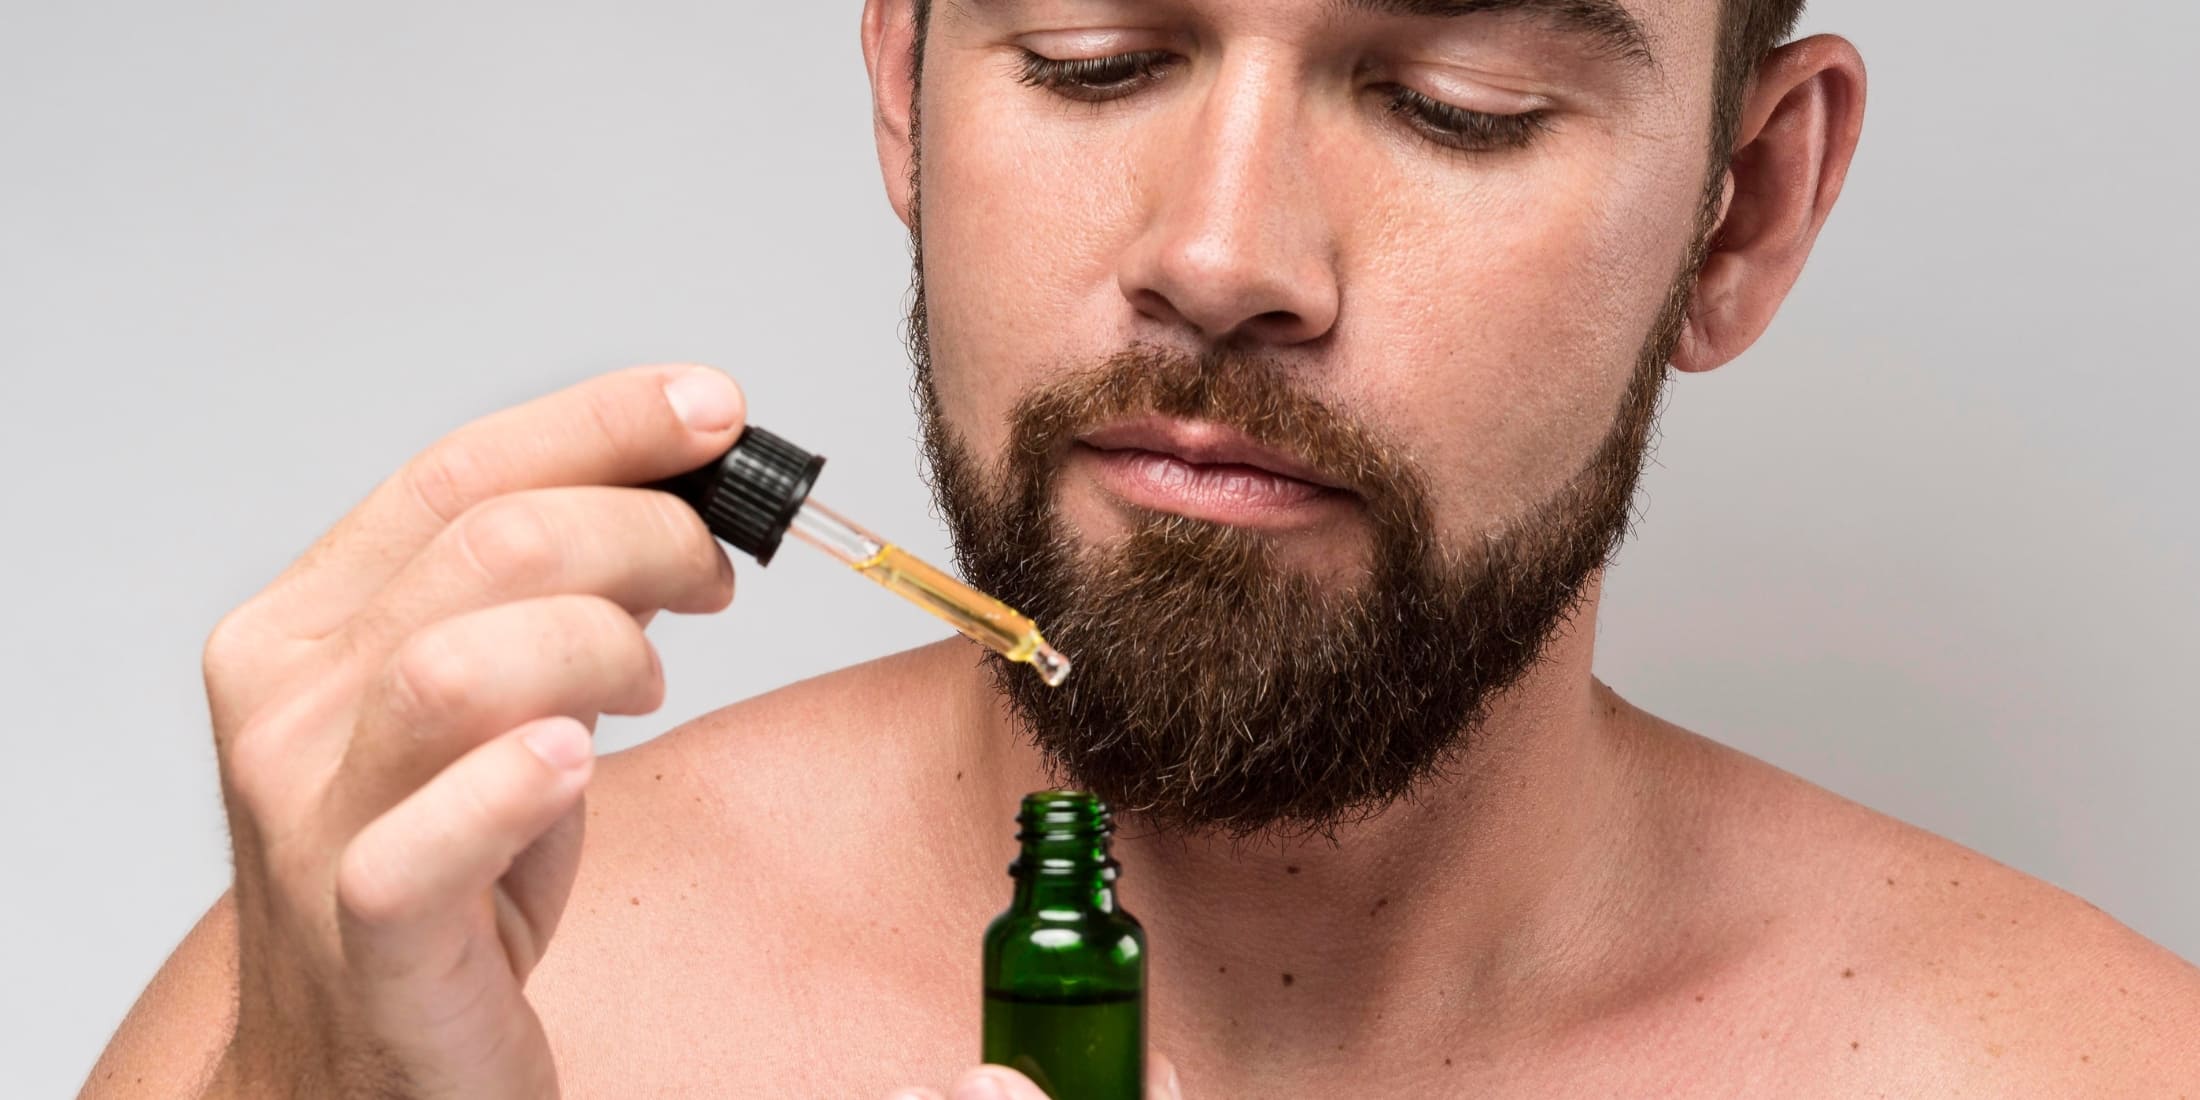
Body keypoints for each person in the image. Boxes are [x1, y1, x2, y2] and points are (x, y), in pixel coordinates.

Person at [83, 0, 2200, 1095]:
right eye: (1095, 59)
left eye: (1452, 96)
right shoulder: (394, 1025)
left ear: (1740, 210)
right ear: (909, 87)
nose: (1215, 255)